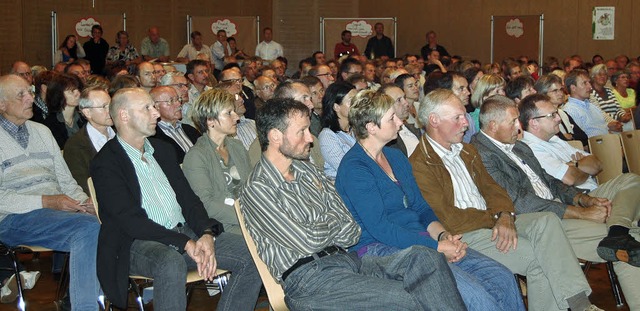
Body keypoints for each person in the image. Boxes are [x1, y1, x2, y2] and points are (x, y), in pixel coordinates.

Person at [240, 97, 466, 310]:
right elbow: (308, 241)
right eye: (302, 131)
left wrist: (324, 225)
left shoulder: (308, 170)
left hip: (348, 262)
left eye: (309, 129)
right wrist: (332, 221)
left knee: (426, 257)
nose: (311, 138)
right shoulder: (257, 188)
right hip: (309, 279)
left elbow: (350, 230)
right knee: (409, 299)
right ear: (275, 136)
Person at [409, 89, 602, 311]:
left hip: (493, 221)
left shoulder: (466, 151)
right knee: (540, 259)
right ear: (434, 120)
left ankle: (580, 304)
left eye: (464, 116)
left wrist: (505, 215)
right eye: (458, 118)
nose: (466, 123)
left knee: (547, 220)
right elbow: (446, 216)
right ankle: (579, 305)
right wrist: (497, 217)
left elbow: (495, 190)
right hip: (466, 234)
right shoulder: (419, 164)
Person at [335, 89, 524, 310]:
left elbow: (421, 208)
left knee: (501, 277)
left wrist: (444, 236)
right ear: (371, 127)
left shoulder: (396, 157)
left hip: (419, 241)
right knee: (476, 296)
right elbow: (381, 228)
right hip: (381, 249)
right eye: (392, 118)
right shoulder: (355, 169)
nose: (400, 122)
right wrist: (435, 246)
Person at [89, 87, 261, 311]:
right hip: (136, 243)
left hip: (183, 232)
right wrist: (184, 243)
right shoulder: (106, 162)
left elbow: (190, 201)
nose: (156, 114)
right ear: (124, 115)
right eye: (148, 108)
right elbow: (129, 221)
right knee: (170, 262)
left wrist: (206, 234)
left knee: (252, 253)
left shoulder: (162, 150)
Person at [478, 94, 640, 309]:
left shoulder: (519, 146)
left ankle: (618, 231)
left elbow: (552, 183)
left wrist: (584, 199)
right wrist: (581, 212)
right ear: (493, 125)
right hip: (537, 221)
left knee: (627, 232)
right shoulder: (482, 153)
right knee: (630, 242)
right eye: (513, 122)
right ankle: (619, 233)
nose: (520, 127)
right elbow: (520, 202)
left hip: (557, 209)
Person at [0, 74, 100, 310]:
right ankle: (84, 305)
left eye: (30, 92)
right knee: (88, 229)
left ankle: (79, 299)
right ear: (2, 104)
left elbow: (65, 182)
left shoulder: (42, 132)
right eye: (21, 95)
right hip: (12, 218)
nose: (30, 99)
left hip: (53, 215)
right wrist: (46, 201)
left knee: (108, 220)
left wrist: (85, 201)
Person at [183, 89, 251, 235]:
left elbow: (252, 186)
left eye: (234, 112)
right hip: (225, 225)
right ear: (210, 120)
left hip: (251, 217)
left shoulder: (237, 147)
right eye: (229, 113)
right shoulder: (196, 156)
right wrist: (248, 217)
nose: (236, 118)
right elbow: (206, 204)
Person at [63, 87, 115, 193]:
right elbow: (82, 184)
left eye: (111, 105)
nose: (110, 110)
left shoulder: (122, 133)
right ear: (87, 112)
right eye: (104, 107)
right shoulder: (75, 145)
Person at [563, 69, 621, 137]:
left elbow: (603, 128)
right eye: (584, 83)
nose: (590, 87)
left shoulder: (592, 106)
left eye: (589, 82)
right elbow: (582, 140)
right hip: (596, 146)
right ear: (573, 88)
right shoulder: (570, 110)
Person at [150, 86, 200, 163]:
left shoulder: (190, 130)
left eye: (178, 99)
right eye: (171, 101)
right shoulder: (153, 137)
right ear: (156, 107)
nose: (179, 104)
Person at [318, 81, 357, 179]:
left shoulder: (356, 130)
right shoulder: (327, 136)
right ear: (336, 107)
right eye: (351, 101)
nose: (357, 104)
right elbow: (346, 169)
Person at [42, 73, 86, 149]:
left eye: (78, 89)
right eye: (71, 91)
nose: (78, 94)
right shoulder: (50, 124)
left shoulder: (84, 118)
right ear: (59, 94)